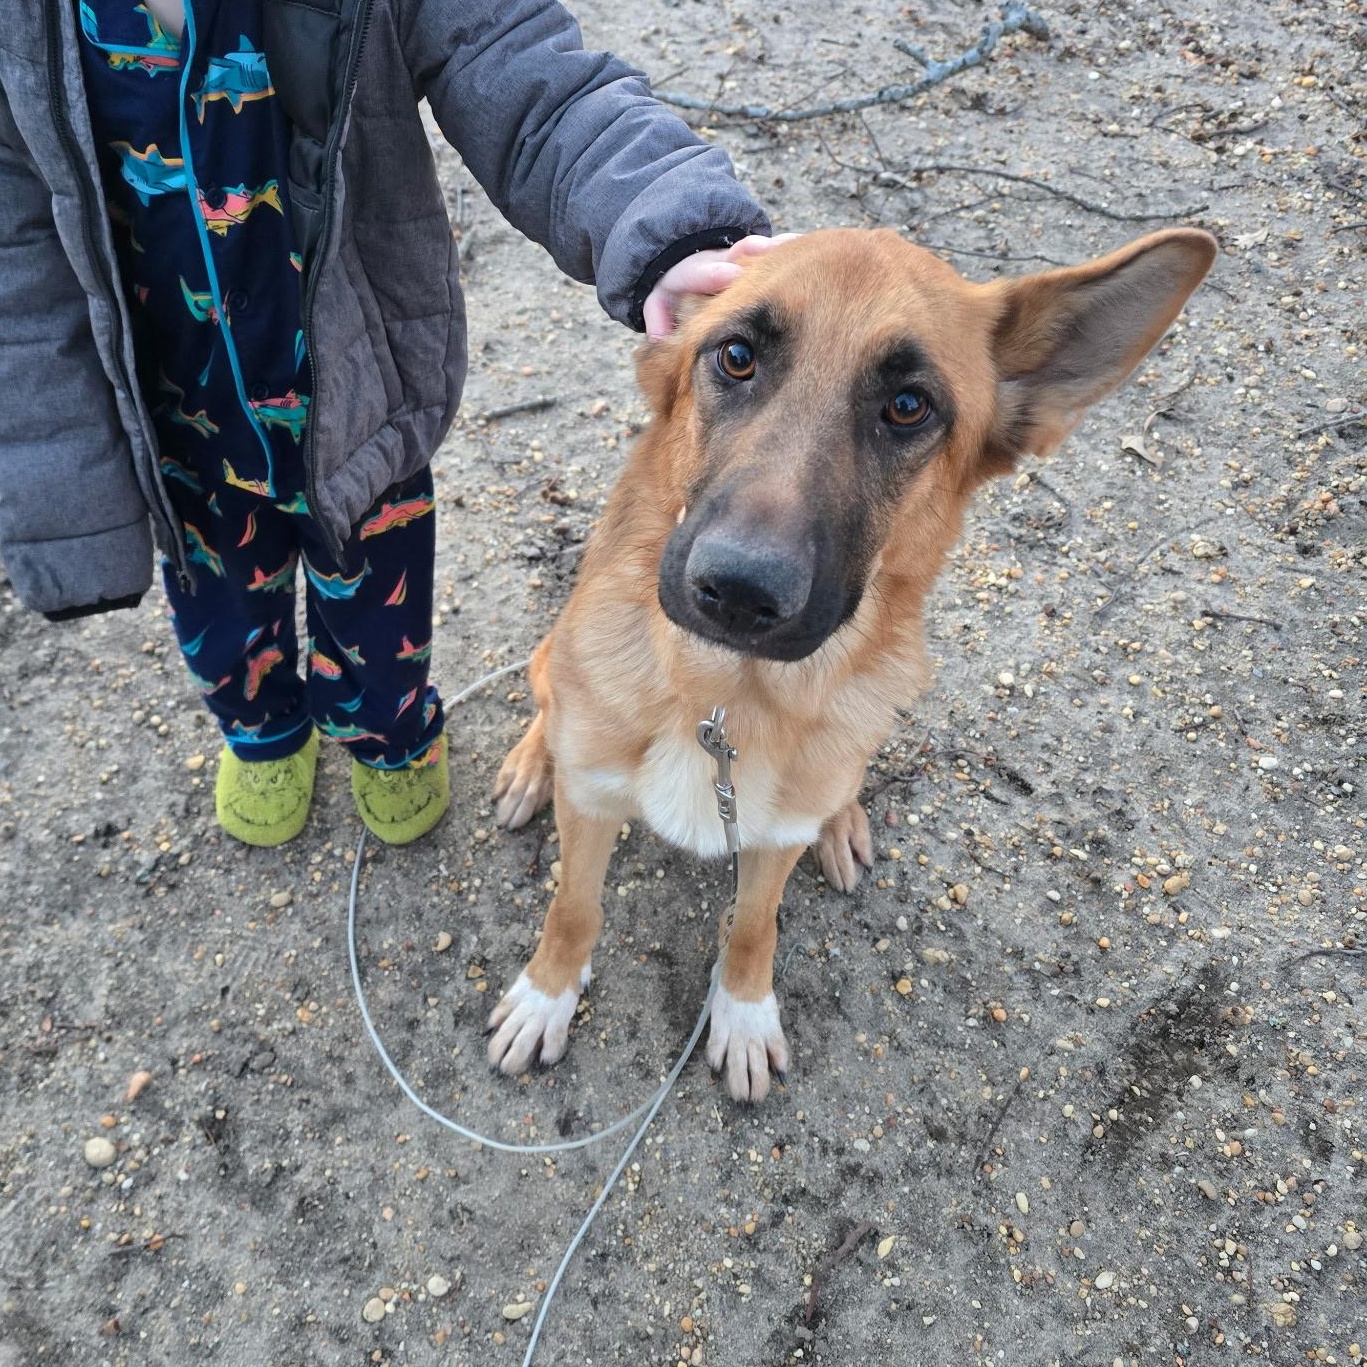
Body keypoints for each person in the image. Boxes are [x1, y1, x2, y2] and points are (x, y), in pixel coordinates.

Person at [0, 0, 778, 847]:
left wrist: (670, 224)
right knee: (219, 609)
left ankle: (387, 732)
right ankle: (261, 728)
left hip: (359, 404)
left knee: (378, 605)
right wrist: (60, 490)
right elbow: (15, 260)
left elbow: (529, 79)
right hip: (174, 427)